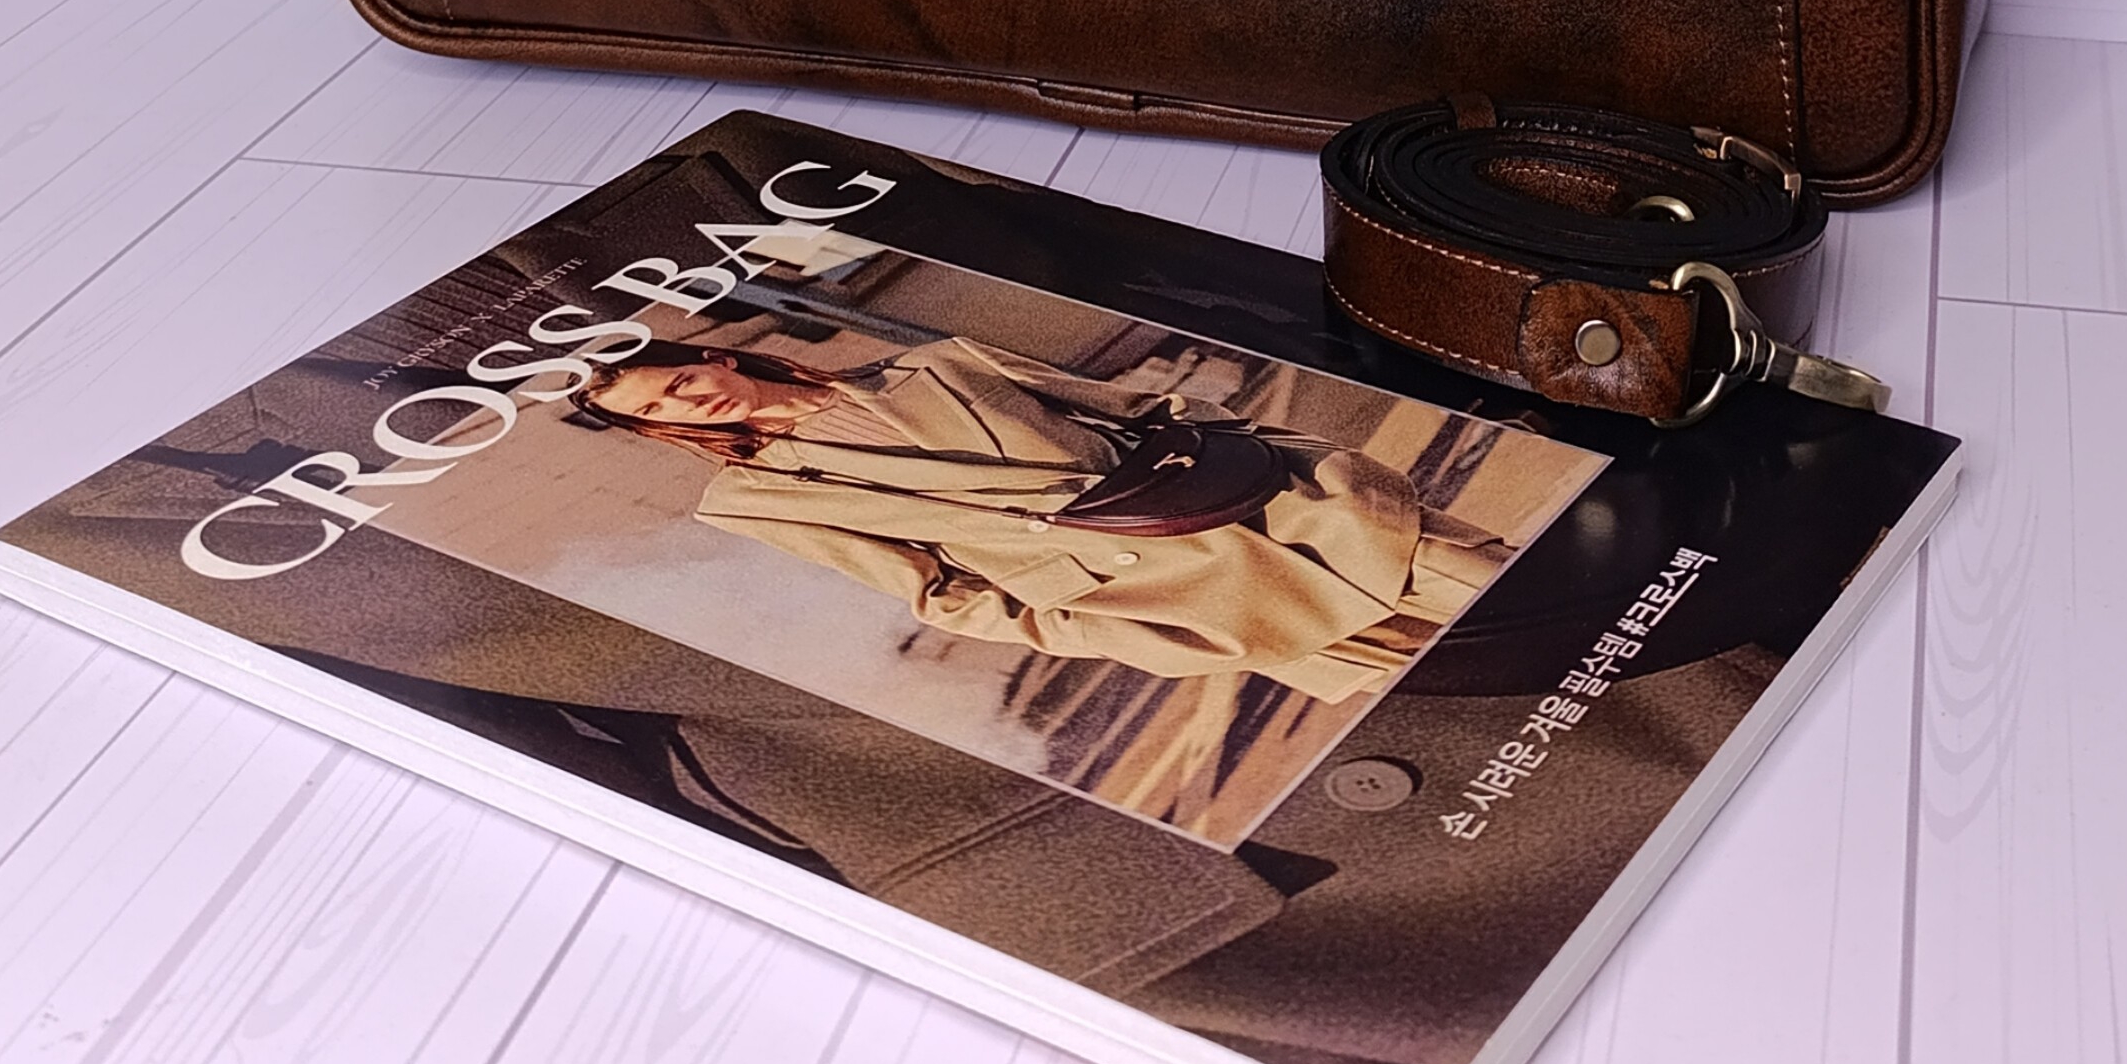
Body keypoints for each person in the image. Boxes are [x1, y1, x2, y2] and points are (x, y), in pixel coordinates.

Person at [565, 326, 1496, 700]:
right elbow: (931, 590)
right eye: (658, 412)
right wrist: (1082, 626)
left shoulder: (936, 361)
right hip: (1166, 598)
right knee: (1457, 687)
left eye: (678, 381)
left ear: (716, 358)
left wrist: (1304, 458)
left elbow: (1143, 407)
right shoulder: (751, 500)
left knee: (1510, 590)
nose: (689, 404)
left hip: (1281, 510)